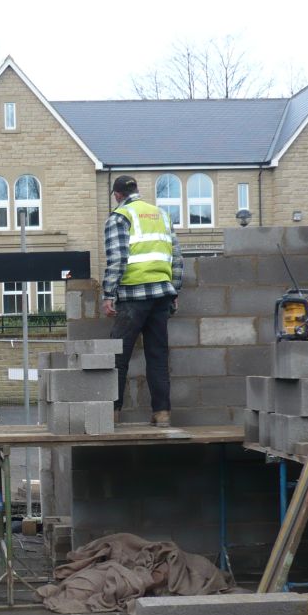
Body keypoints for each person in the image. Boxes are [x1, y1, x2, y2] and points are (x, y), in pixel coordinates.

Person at [102, 175, 184, 427]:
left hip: (132, 296)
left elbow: (118, 259)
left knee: (118, 356)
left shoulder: (119, 217)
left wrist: (108, 293)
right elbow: (177, 258)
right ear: (136, 190)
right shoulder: (161, 215)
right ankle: (162, 414)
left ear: (117, 195)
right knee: (157, 356)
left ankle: (112, 414)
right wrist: (175, 290)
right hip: (161, 296)